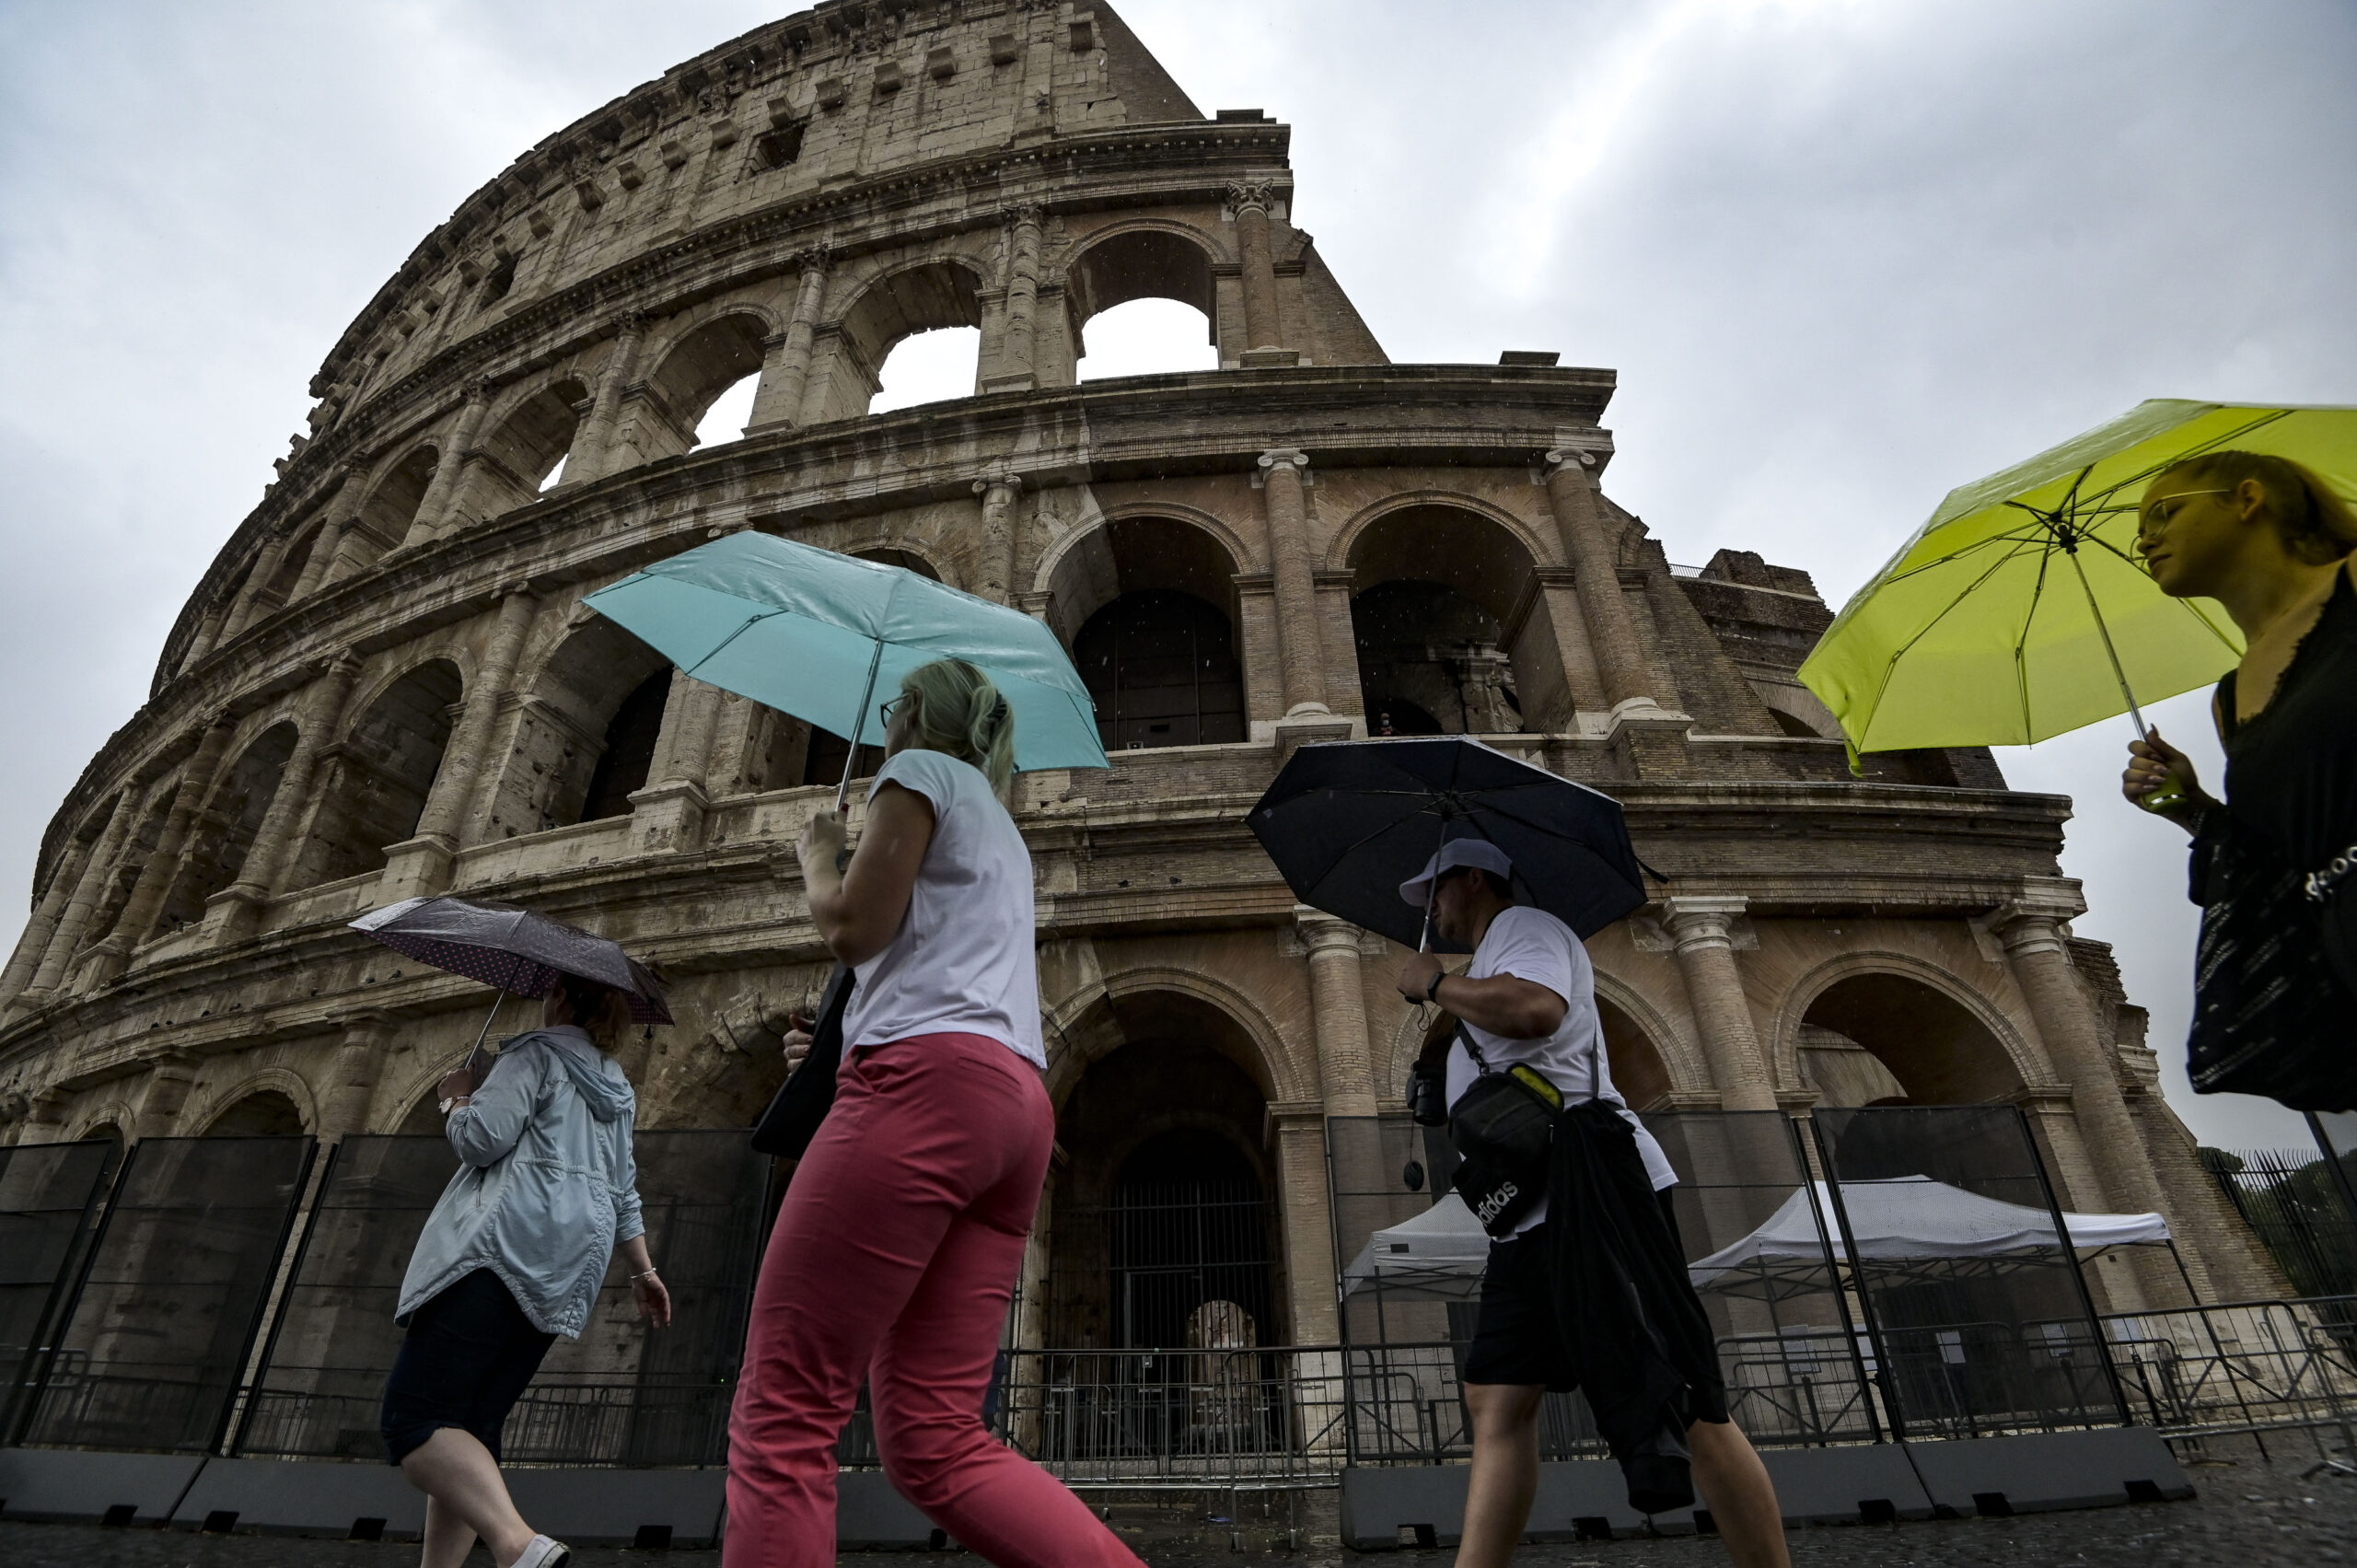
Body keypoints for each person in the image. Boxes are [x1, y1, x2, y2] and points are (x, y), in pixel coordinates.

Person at [726, 657, 1142, 1568]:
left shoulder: (916, 774)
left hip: (921, 1088)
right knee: (935, 1437)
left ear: (916, 712)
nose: (883, 719)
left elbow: (853, 927)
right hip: (1013, 1107)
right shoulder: (1001, 825)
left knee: (784, 1409)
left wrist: (814, 851)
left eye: (891, 704)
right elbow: (935, 965)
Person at [1392, 841, 1789, 1568]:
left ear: (1473, 877)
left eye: (1437, 892)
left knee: (1694, 1401)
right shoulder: (1491, 957)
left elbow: (1537, 1009)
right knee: (1496, 1398)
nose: (1432, 909)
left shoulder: (1527, 928)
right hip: (1531, 1211)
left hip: (1595, 1190)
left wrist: (1439, 986)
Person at [382, 972, 672, 1568]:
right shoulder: (615, 1084)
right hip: (566, 1269)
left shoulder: (535, 1054)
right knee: (472, 1428)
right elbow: (623, 1189)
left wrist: (457, 1094)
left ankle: (518, 1545)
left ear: (560, 998)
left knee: (413, 1421)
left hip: (500, 1251)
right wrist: (644, 1269)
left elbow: (482, 1139)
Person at [2122, 451, 2357, 1107]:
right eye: (2138, 528)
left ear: (2247, 498)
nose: (2146, 537)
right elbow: (2276, 857)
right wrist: (2193, 808)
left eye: (2164, 512)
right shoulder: (2231, 698)